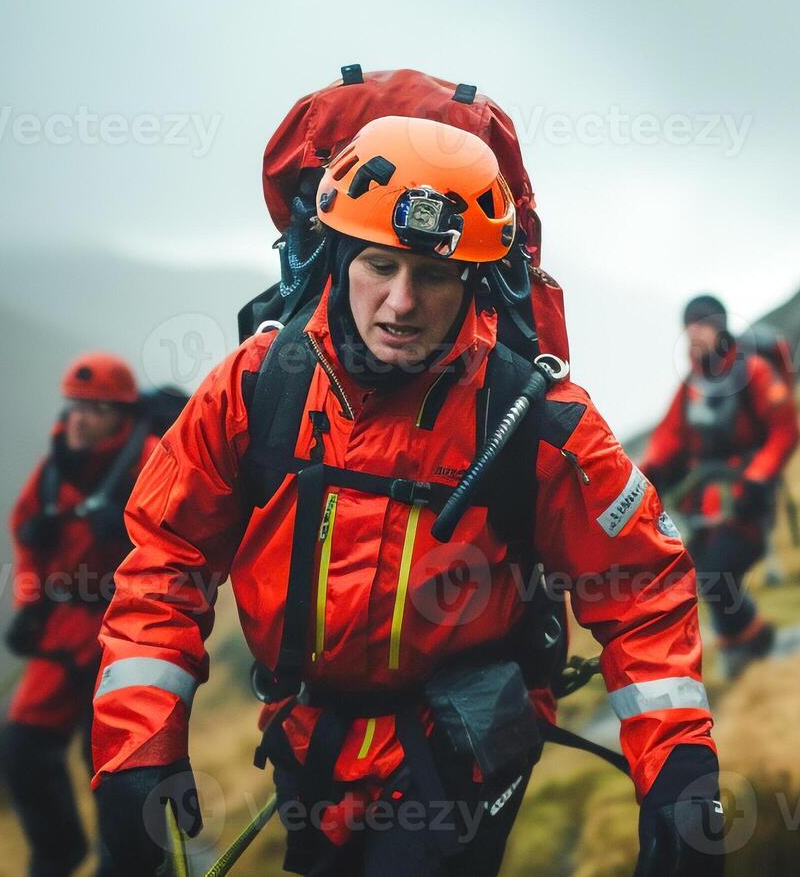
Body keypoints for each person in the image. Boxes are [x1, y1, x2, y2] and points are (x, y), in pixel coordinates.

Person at [89, 116, 723, 876]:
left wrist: (679, 776)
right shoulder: (256, 387)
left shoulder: (533, 419)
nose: (400, 303)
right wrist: (137, 745)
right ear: (336, 255)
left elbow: (642, 588)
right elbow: (167, 556)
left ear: (475, 282)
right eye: (379, 265)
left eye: (433, 275)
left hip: (462, 745)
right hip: (307, 745)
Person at [3, 352, 157, 877]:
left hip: (129, 630)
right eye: (75, 406)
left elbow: (184, 546)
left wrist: (133, 537)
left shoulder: (152, 460)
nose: (79, 418)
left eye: (95, 408)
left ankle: (123, 866)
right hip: (65, 626)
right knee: (23, 749)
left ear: (122, 414)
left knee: (112, 764)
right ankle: (58, 855)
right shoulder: (57, 464)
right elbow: (26, 531)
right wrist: (29, 605)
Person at [642, 295, 800, 678]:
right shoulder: (690, 388)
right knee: (705, 575)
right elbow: (667, 440)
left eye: (702, 324)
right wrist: (644, 479)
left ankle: (745, 649)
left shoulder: (756, 372)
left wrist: (758, 480)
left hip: (746, 498)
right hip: (704, 505)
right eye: (688, 327)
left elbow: (785, 431)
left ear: (719, 326)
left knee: (716, 575)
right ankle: (752, 643)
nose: (693, 333)